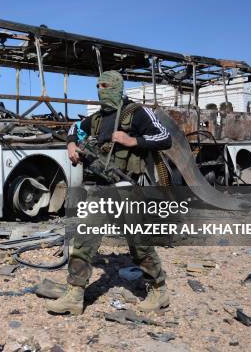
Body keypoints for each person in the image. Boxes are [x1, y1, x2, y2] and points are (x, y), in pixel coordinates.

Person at [45, 70, 172, 315]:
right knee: (83, 238)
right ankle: (75, 294)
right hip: (101, 189)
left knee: (139, 243)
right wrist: (71, 145)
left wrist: (131, 141)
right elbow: (74, 129)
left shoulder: (136, 113)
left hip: (127, 187)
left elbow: (164, 137)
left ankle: (159, 290)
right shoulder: (96, 119)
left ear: (117, 86)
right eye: (98, 85)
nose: (101, 90)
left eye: (105, 85)